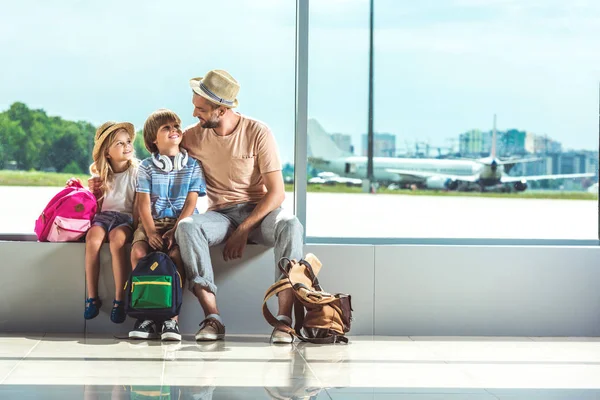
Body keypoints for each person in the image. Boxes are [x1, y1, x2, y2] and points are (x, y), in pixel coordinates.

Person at [176, 69, 304, 344]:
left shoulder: (257, 131)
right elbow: (158, 161)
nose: (195, 114)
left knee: (291, 224)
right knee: (186, 227)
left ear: (221, 110)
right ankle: (213, 318)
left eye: (200, 109)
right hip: (220, 215)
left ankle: (283, 322)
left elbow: (277, 193)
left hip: (260, 213)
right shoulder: (191, 137)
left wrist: (244, 229)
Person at [128, 109, 207, 342]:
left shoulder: (193, 165)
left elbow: (192, 201)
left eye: (176, 126)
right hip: (152, 220)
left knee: (175, 257)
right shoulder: (146, 166)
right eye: (166, 128)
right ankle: (145, 315)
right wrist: (151, 231)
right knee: (139, 252)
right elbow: (143, 203)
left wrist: (176, 229)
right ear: (154, 138)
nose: (174, 131)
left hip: (181, 221)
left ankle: (171, 319)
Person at [84, 121, 138, 324]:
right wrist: (94, 191)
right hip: (104, 217)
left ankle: (119, 300)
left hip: (125, 218)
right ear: (107, 153)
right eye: (119, 144)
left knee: (117, 242)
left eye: (128, 141)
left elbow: (137, 206)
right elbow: (96, 208)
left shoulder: (137, 172)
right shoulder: (100, 175)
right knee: (93, 240)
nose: (127, 146)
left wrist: (137, 226)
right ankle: (92, 297)